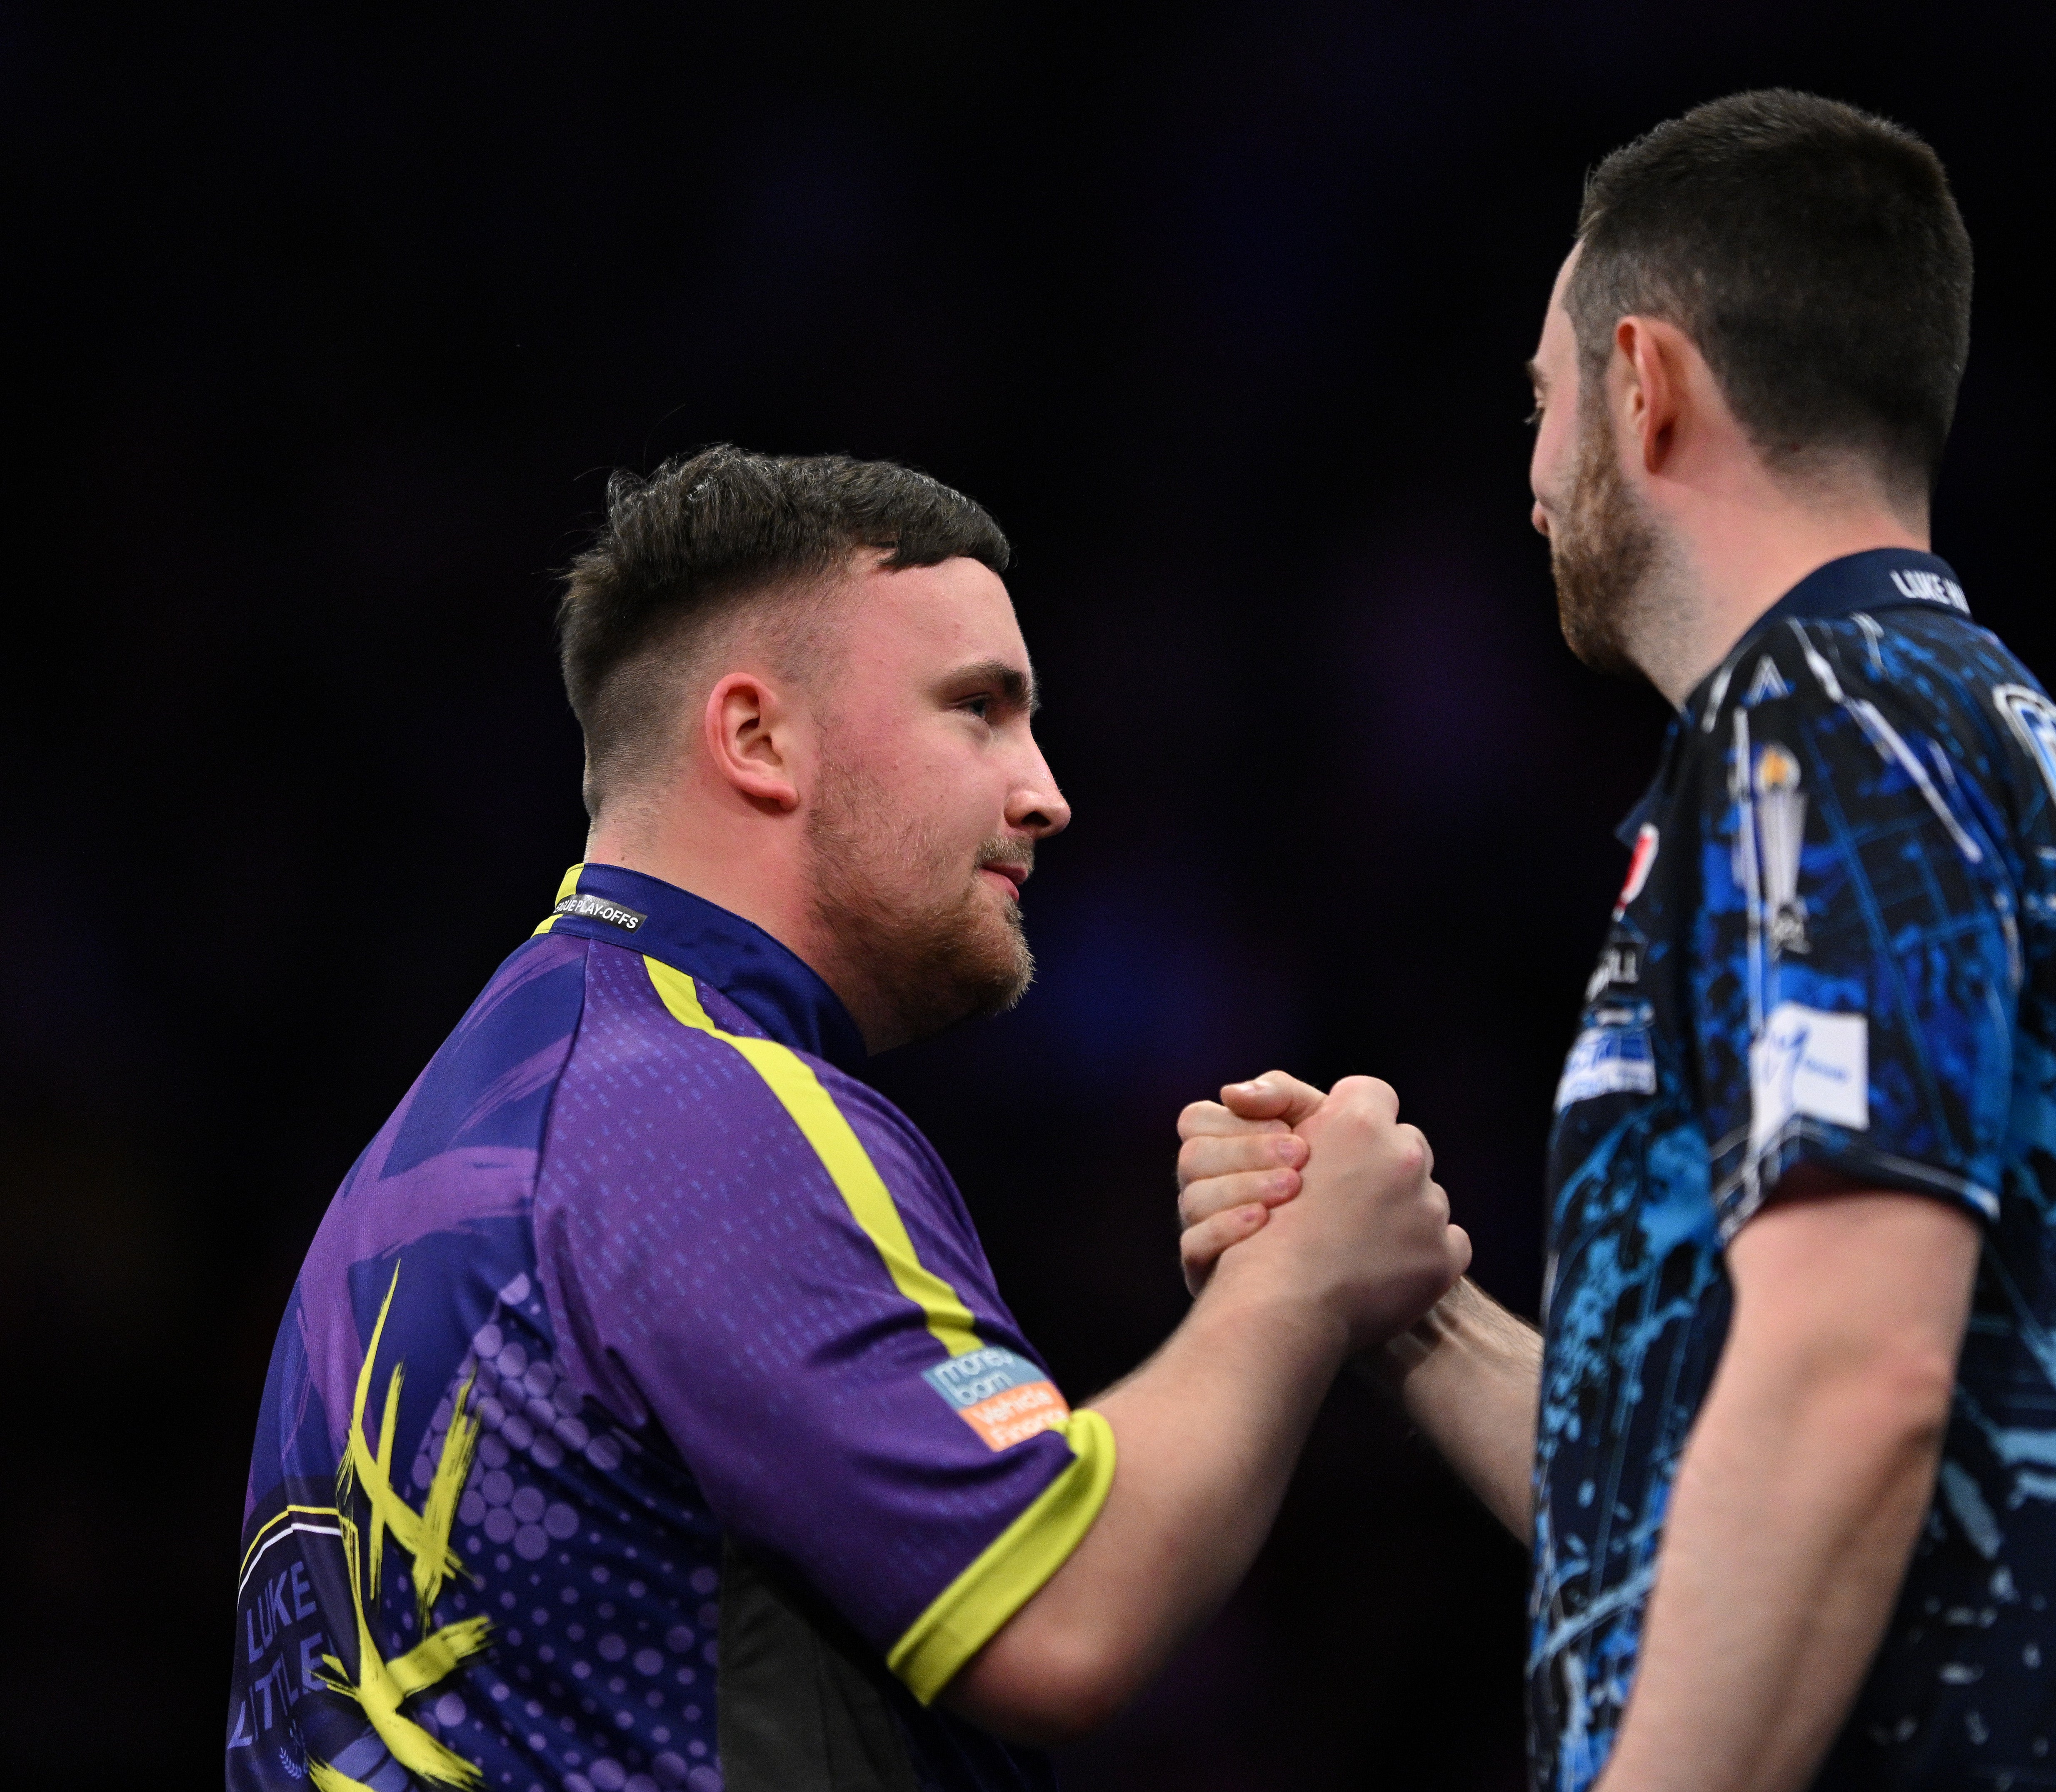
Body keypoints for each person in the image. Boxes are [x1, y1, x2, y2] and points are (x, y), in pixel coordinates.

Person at [1176, 90, 2056, 1790]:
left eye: (1539, 403)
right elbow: (1722, 1496)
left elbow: (1849, 1375)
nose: (1527, 476)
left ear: (1643, 383)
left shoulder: (1814, 722)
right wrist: (1410, 1307)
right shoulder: (1943, 720)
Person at [224, 446, 1471, 1792]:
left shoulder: (451, 1142)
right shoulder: (699, 1114)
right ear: (757, 738)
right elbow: (1058, 1612)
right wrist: (1303, 1278)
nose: (1044, 789)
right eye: (978, 710)